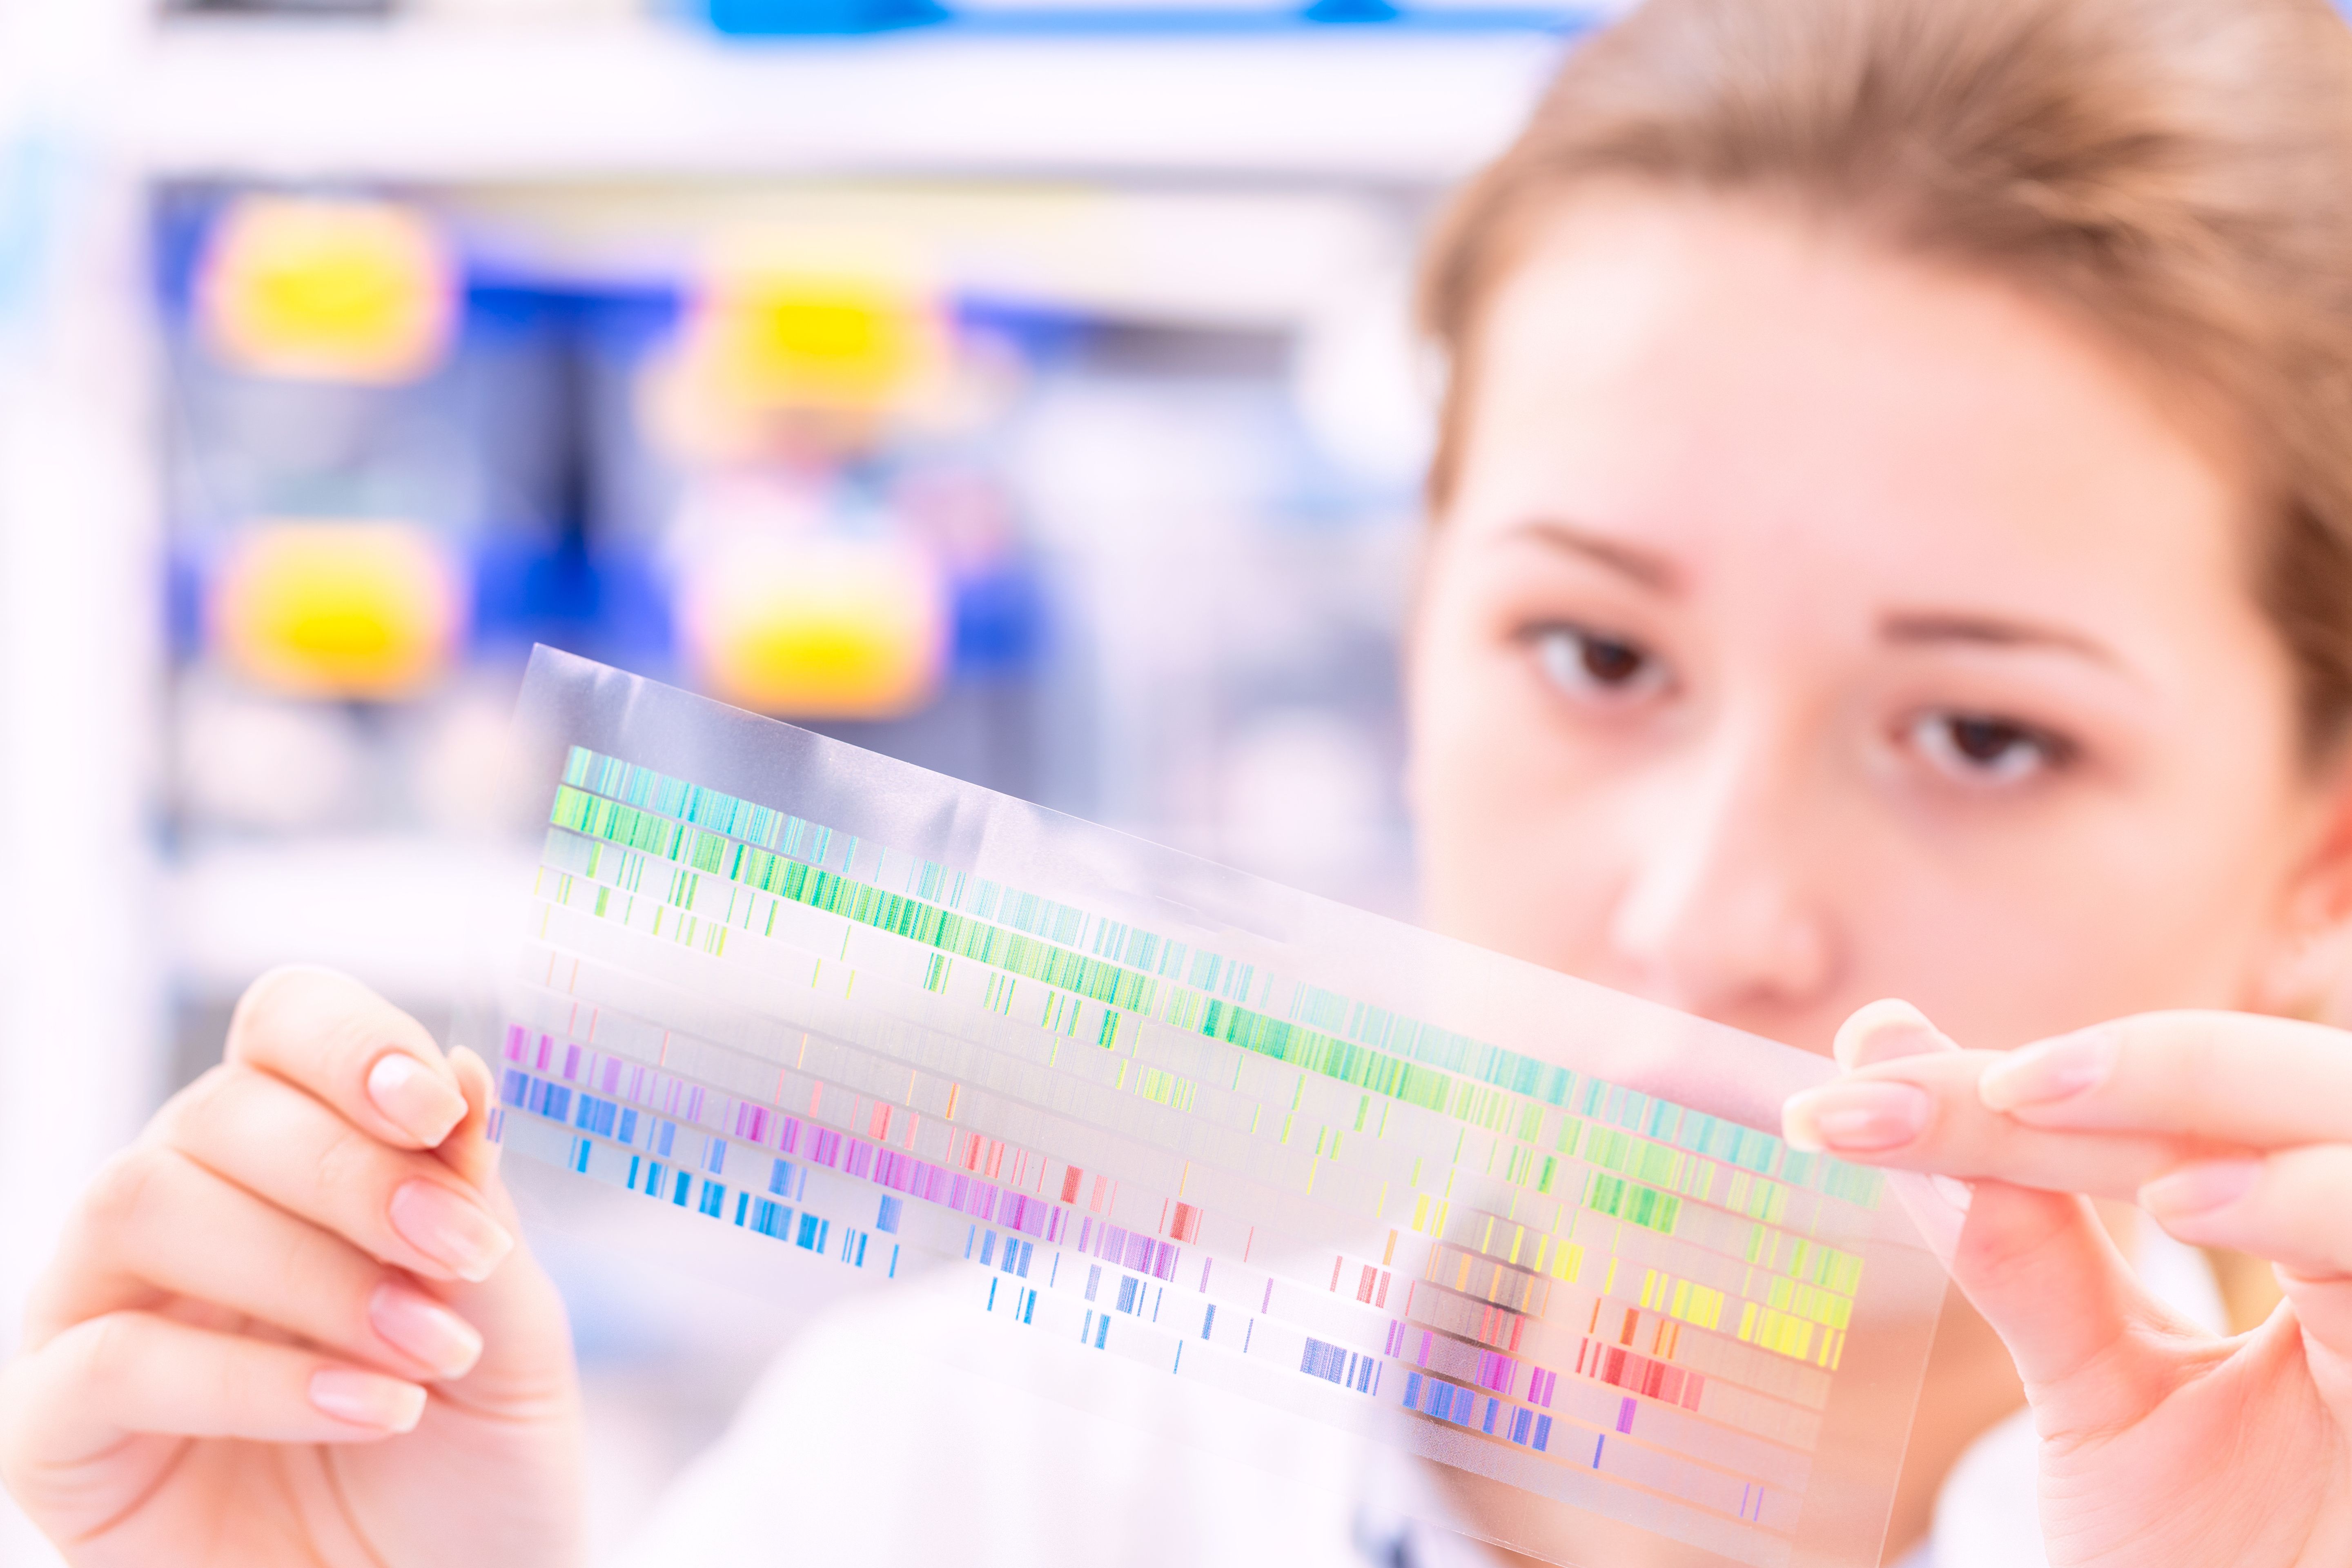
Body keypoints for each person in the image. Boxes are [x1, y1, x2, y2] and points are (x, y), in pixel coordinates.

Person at [8, 0, 2352, 1562]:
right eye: (1595, 654)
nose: (1708, 914)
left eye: (1984, 736)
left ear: (2322, 864)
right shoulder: (970, 1483)